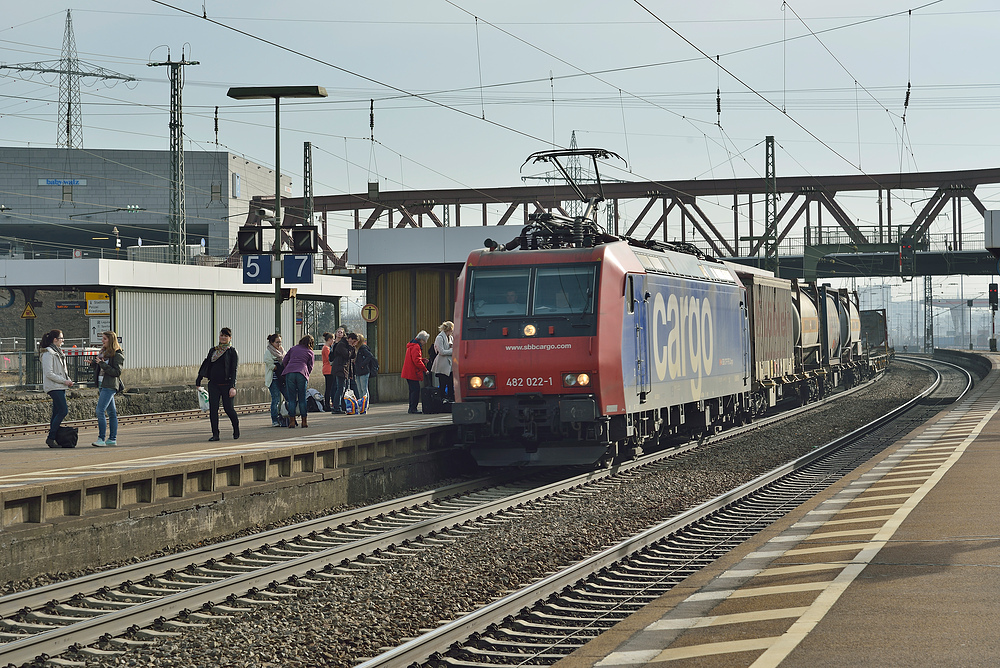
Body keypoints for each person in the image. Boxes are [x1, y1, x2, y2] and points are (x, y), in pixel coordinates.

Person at [196, 327, 240, 442]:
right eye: (221, 335)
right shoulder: (213, 350)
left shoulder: (232, 352)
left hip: (226, 384)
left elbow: (234, 370)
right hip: (214, 384)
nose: (223, 338)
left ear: (230, 338)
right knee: (213, 409)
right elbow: (206, 365)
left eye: (226, 336)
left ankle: (236, 428)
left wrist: (232, 386)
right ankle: (215, 434)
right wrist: (199, 380)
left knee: (228, 408)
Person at [40, 329, 74, 448]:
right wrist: (64, 381)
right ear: (55, 340)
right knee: (63, 411)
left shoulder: (58, 352)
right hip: (54, 387)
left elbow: (62, 371)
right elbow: (49, 373)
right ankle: (51, 437)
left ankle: (53, 438)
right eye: (61, 338)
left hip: (60, 386)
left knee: (56, 413)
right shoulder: (49, 353)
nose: (63, 340)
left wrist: (67, 380)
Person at [91, 331, 124, 447]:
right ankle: (112, 439)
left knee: (100, 411)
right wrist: (94, 364)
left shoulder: (117, 355)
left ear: (110, 340)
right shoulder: (103, 352)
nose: (102, 341)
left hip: (109, 386)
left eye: (105, 339)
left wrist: (103, 364)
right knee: (111, 412)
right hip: (101, 384)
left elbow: (117, 372)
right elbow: (101, 367)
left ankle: (101, 438)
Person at [281, 334, 315, 427]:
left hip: (290, 373)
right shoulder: (310, 352)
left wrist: (289, 367)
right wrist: (306, 374)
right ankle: (304, 422)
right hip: (302, 373)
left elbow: (285, 361)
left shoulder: (293, 349)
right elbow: (310, 366)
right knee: (302, 398)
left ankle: (292, 421)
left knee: (291, 398)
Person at [401, 330, 430, 414]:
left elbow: (414, 358)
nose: (425, 343)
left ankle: (412, 407)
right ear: (421, 340)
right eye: (424, 341)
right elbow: (416, 361)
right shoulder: (416, 346)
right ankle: (413, 408)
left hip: (408, 372)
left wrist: (423, 360)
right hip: (413, 372)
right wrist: (425, 369)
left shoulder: (411, 345)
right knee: (415, 390)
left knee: (412, 390)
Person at [330, 329, 356, 414]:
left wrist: (352, 347)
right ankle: (336, 407)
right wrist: (351, 346)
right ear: (350, 339)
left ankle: (343, 406)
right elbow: (347, 355)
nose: (353, 343)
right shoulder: (341, 345)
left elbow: (352, 356)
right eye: (353, 341)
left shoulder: (346, 345)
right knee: (340, 388)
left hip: (344, 369)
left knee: (344, 389)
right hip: (340, 369)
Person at [264, 333, 286, 427]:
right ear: (272, 342)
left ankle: (286, 417)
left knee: (288, 396)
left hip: (282, 378)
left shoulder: (282, 351)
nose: (279, 344)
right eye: (277, 342)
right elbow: (269, 363)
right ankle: (274, 419)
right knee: (276, 399)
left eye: (280, 342)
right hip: (273, 379)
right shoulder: (268, 351)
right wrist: (277, 367)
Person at [353, 333, 378, 409]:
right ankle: (361, 404)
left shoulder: (363, 348)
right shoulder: (355, 349)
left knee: (364, 388)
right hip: (357, 371)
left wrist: (362, 364)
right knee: (359, 389)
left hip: (364, 371)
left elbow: (370, 356)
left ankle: (365, 404)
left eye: (356, 340)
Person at [431, 321, 454, 402]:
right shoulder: (439, 337)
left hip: (450, 364)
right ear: (449, 329)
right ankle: (442, 398)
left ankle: (450, 397)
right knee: (443, 383)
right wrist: (452, 351)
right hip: (442, 364)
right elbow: (441, 351)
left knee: (451, 383)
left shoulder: (450, 338)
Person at [321, 331, 335, 413]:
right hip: (328, 369)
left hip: (327, 369)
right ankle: (327, 404)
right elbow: (330, 358)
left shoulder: (326, 347)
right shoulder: (326, 348)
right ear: (329, 339)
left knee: (329, 388)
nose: (333, 341)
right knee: (329, 388)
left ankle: (328, 404)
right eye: (332, 339)